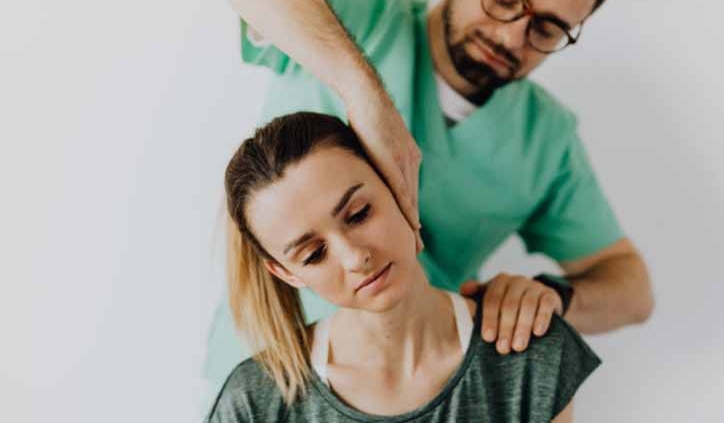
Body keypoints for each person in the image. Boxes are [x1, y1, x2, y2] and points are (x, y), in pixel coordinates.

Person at [206, 0, 654, 391]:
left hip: (429, 387)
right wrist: (364, 93)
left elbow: (633, 291)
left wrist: (551, 299)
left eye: (547, 29)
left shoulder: (545, 139)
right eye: (504, 0)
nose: (513, 35)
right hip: (278, 369)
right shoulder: (364, 18)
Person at [205, 111, 600, 422]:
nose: (355, 257)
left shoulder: (530, 358)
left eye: (359, 214)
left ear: (399, 187)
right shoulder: (255, 402)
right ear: (287, 273)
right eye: (313, 254)